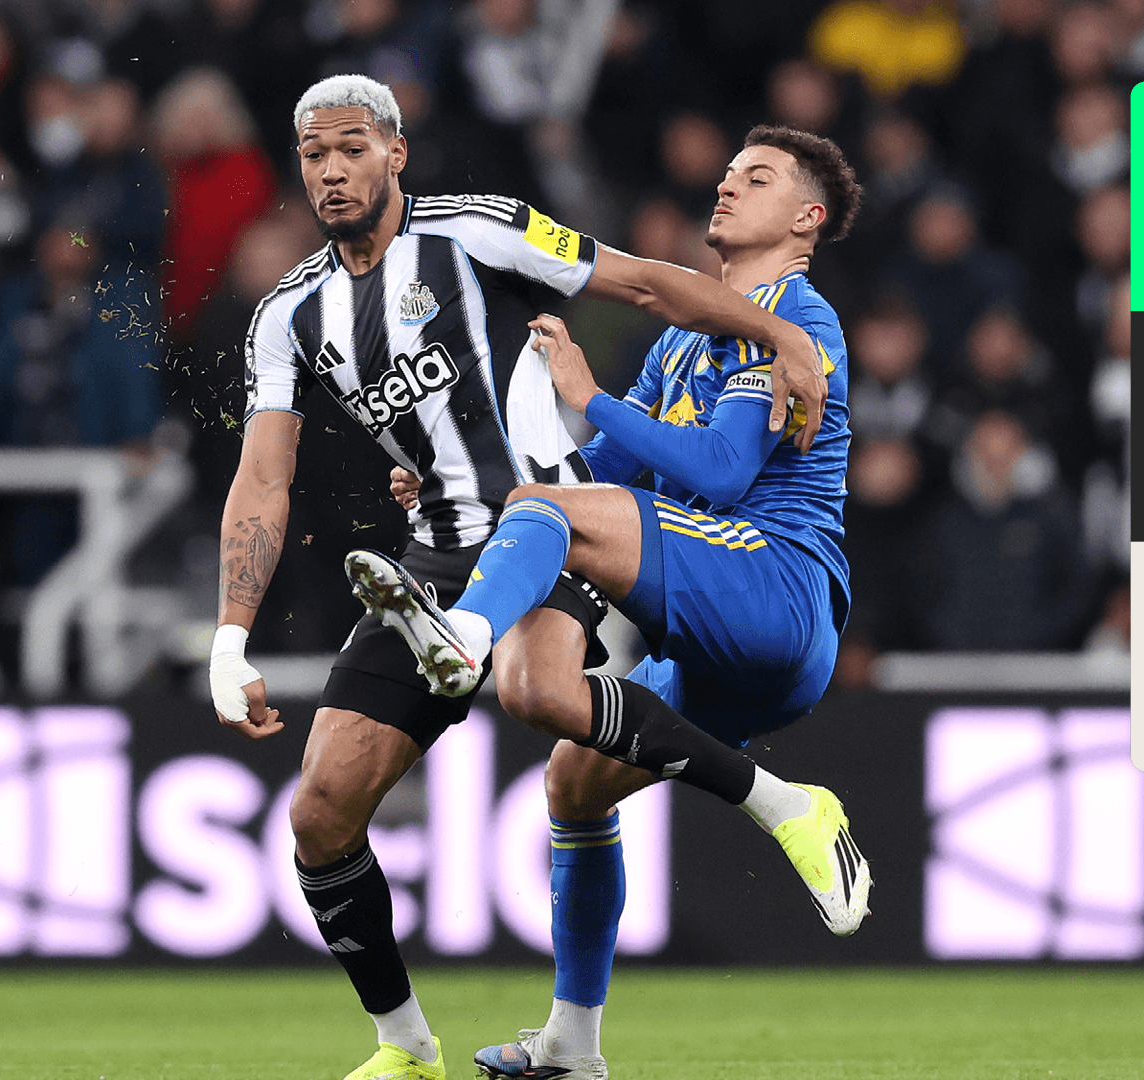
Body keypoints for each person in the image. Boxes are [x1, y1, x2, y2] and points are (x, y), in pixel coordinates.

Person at [207, 75, 829, 1080]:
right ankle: (406, 1047)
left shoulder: (479, 228)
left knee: (536, 691)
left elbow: (642, 283)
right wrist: (230, 637)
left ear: (395, 153)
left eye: (353, 148)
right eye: (315, 155)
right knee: (320, 811)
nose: (332, 171)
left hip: (547, 525)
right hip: (431, 550)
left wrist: (781, 334)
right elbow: (262, 477)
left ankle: (771, 800)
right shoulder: (286, 314)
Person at [352, 124, 869, 1080]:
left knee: (547, 517)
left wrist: (590, 395)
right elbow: (595, 477)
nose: (727, 188)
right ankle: (573, 1044)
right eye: (726, 175)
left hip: (777, 585)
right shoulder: (683, 336)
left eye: (756, 178)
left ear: (808, 218)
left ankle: (463, 634)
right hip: (714, 642)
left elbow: (722, 471)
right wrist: (464, 492)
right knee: (572, 781)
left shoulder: (798, 319)